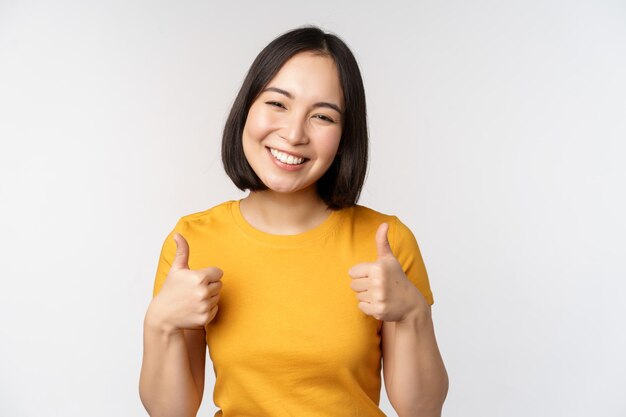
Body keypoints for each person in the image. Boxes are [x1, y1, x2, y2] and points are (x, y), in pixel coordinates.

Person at [139, 25, 448, 417]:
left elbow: (422, 410)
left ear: (343, 139)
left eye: (322, 116)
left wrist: (412, 313)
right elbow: (171, 412)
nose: (294, 133)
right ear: (246, 109)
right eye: (278, 104)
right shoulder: (192, 241)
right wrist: (159, 323)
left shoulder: (386, 242)